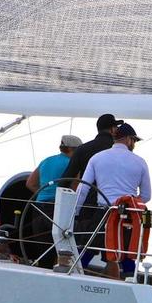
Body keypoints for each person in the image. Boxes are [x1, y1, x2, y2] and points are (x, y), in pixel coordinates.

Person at [75, 123, 151, 279]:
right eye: (134, 141)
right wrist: (131, 203)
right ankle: (131, 284)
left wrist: (74, 213)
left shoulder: (97, 158)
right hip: (128, 214)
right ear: (129, 140)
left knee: (88, 250)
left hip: (103, 213)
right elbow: (146, 195)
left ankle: (75, 279)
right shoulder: (140, 162)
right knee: (125, 254)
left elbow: (82, 189)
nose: (134, 144)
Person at [61, 113, 122, 268]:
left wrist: (69, 209)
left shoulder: (82, 149)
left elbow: (65, 180)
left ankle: (77, 278)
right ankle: (113, 286)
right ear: (113, 129)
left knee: (85, 247)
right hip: (114, 209)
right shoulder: (120, 152)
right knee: (112, 255)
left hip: (87, 208)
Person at [24, 134, 82, 267]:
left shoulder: (46, 161)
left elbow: (30, 183)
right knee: (60, 247)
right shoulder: (72, 164)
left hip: (39, 207)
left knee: (43, 248)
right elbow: (75, 187)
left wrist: (45, 193)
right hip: (57, 207)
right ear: (73, 149)